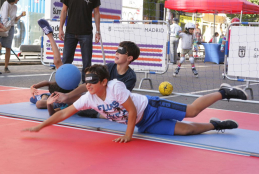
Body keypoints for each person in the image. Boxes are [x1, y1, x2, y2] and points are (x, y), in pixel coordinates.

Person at [23, 64, 248, 143]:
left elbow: (130, 111)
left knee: (191, 111)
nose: (88, 86)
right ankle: (217, 125)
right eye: (86, 83)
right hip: (144, 124)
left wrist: (129, 136)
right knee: (187, 131)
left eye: (92, 83)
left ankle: (223, 91)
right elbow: (63, 114)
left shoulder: (115, 87)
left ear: (104, 81)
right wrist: (41, 126)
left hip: (150, 108)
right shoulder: (88, 97)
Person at [30, 19, 77, 116]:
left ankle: (49, 35)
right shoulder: (67, 86)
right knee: (57, 62)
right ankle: (49, 35)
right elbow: (48, 83)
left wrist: (48, 102)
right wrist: (34, 86)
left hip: (54, 99)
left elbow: (50, 111)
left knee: (37, 102)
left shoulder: (65, 103)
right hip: (60, 95)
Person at [59, 0, 101, 83]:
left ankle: (86, 85)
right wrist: (60, 28)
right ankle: (65, 84)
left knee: (86, 62)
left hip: (86, 33)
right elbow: (64, 11)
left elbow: (96, 13)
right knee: (66, 61)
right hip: (70, 32)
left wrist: (98, 31)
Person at [0, 0, 26, 73]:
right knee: (0, 46)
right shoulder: (6, 4)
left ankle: (6, 67)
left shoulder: (15, 7)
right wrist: (4, 29)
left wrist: (20, 15)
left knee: (8, 47)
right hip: (2, 26)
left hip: (10, 27)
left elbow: (14, 20)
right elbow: (4, 18)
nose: (18, 0)